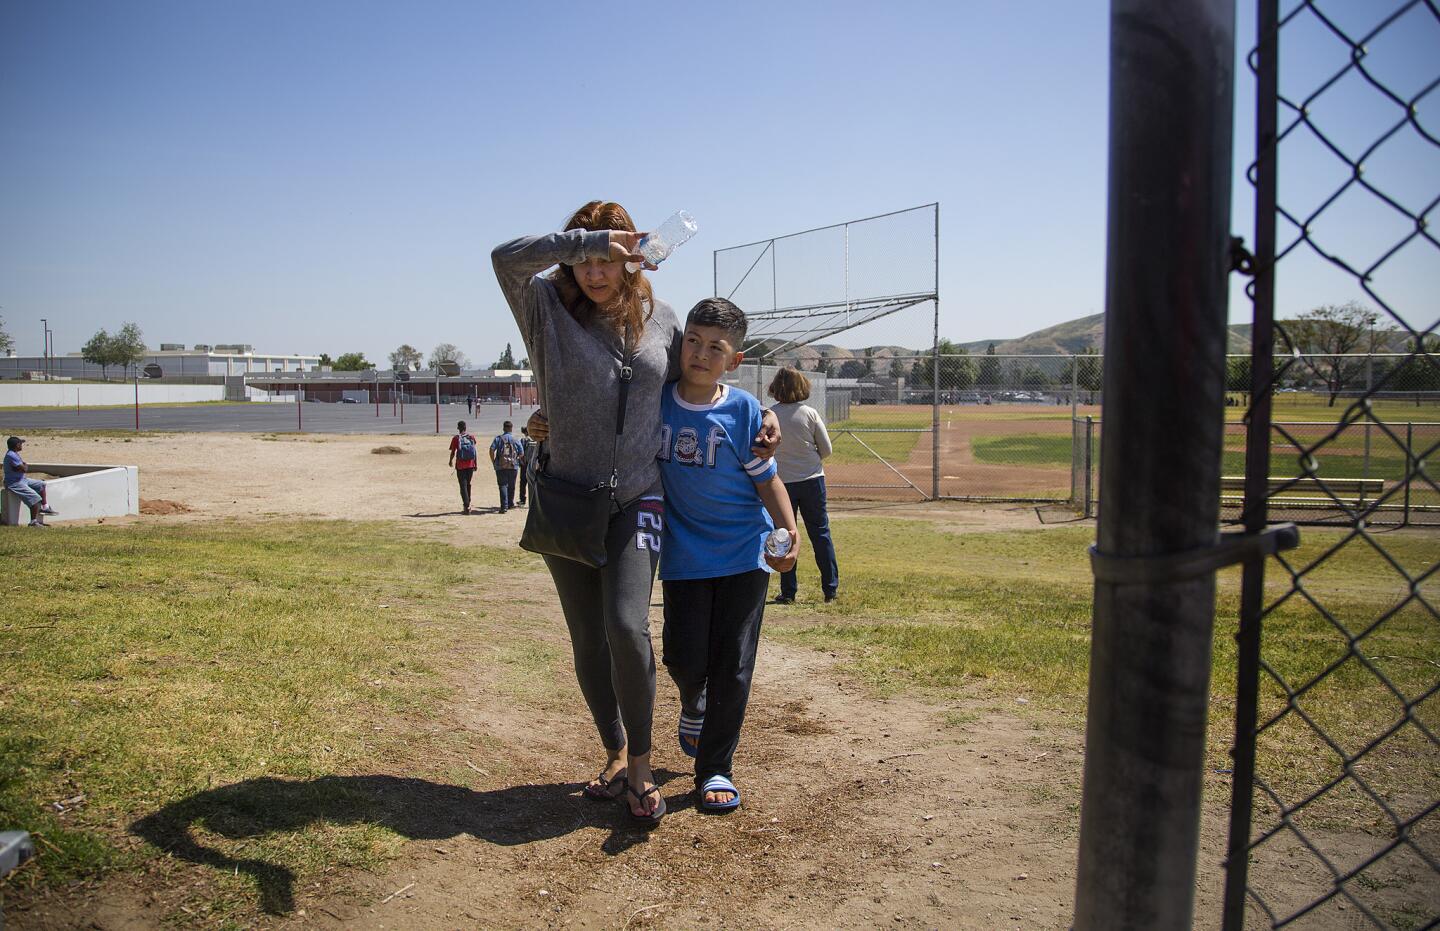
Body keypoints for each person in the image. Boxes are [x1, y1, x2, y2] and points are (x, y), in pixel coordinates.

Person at [492, 201, 780, 824]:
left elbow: (703, 376)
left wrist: (763, 411)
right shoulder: (545, 308)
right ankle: (615, 751)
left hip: (639, 495)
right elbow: (504, 260)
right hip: (567, 495)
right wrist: (585, 240)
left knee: (626, 625)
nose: (595, 271)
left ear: (633, 259)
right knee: (588, 637)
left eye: (609, 257)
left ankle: (643, 762)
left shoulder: (665, 320)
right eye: (585, 258)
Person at [657, 299, 798, 813]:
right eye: (692, 340)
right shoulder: (658, 401)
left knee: (734, 666)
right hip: (683, 556)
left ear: (733, 361)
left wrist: (789, 532)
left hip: (744, 554)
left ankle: (715, 767)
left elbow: (768, 479)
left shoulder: (741, 411)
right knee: (684, 656)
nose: (699, 353)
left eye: (715, 347)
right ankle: (692, 699)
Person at [767, 367, 840, 603]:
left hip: (781, 483)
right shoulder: (809, 413)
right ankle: (830, 589)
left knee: (785, 535)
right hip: (811, 481)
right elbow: (826, 449)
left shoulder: (770, 414)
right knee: (820, 534)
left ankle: (788, 592)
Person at [4, 437, 58, 528]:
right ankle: (33, 522)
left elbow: (21, 468)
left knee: (41, 484)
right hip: (14, 483)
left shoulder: (14, 453)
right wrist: (24, 466)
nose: (21, 445)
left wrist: (23, 467)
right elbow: (24, 469)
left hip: (22, 479)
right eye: (20, 443)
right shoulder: (11, 455)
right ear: (17, 445)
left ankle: (45, 507)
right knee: (35, 498)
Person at [489, 421, 523, 513]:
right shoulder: (515, 439)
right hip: (513, 465)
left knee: (503, 485)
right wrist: (515, 459)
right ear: (511, 428)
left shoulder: (498, 439)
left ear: (503, 428)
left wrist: (494, 461)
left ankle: (504, 506)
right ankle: (510, 503)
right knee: (511, 485)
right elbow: (521, 453)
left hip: (500, 466)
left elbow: (492, 449)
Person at [448, 420, 479, 515]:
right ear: (465, 428)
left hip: (461, 466)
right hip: (470, 464)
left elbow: (453, 451)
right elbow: (474, 451)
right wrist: (475, 464)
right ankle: (468, 503)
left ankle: (466, 505)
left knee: (463, 485)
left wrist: (450, 461)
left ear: (458, 428)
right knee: (468, 484)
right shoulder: (471, 437)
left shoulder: (456, 438)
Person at [516, 426, 537, 507]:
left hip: (525, 464)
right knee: (534, 482)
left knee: (523, 482)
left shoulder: (524, 440)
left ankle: (522, 500)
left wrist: (521, 462)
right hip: (535, 464)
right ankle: (534, 500)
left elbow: (520, 452)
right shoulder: (535, 439)